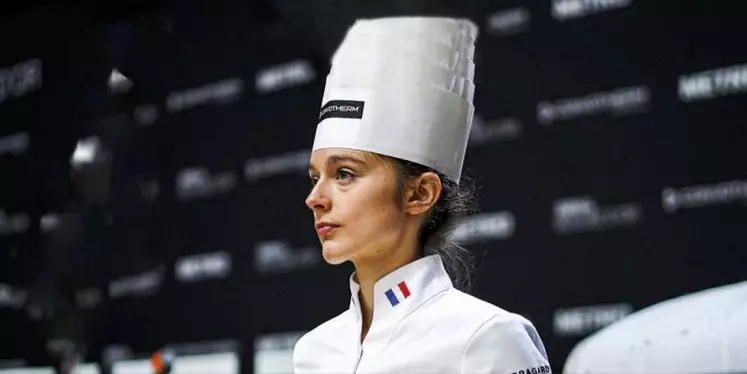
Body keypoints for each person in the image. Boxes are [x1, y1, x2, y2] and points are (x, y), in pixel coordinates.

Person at [293, 16, 551, 374]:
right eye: (314, 177)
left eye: (345, 174)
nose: (315, 198)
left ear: (420, 193)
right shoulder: (314, 351)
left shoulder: (488, 338)